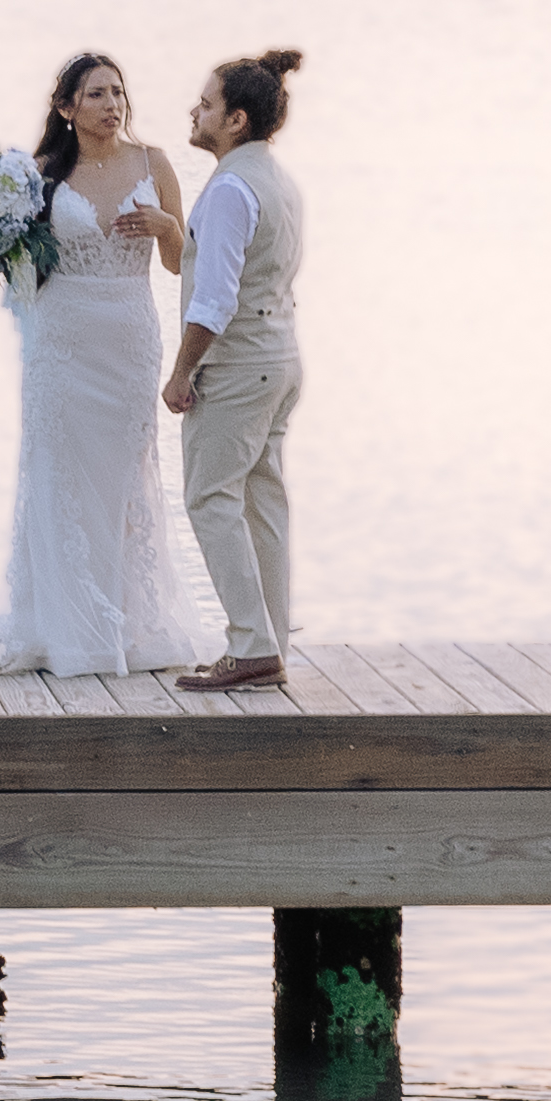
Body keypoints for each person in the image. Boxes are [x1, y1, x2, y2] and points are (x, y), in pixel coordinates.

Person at [0, 50, 200, 678]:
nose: (112, 105)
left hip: (128, 340)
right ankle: (63, 626)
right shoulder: (42, 173)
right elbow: (18, 262)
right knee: (60, 473)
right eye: (96, 95)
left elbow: (182, 262)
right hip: (62, 342)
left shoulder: (152, 163)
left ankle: (123, 623)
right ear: (67, 107)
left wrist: (164, 228)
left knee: (124, 480)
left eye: (118, 93)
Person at [162, 47, 307, 691]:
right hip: (280, 359)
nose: (195, 111)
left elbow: (214, 300)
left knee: (210, 497)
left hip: (239, 365)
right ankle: (268, 641)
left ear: (236, 120)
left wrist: (182, 372)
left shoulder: (229, 190)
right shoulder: (278, 180)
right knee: (261, 500)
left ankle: (251, 644)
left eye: (208, 104)